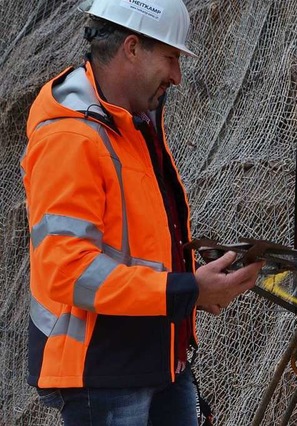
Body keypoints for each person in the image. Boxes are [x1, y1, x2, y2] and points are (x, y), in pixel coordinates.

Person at [20, 1, 263, 424]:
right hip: (103, 374)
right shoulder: (70, 137)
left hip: (158, 363)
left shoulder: (133, 125)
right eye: (170, 57)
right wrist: (187, 292)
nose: (177, 76)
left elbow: (139, 249)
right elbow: (69, 272)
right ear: (132, 48)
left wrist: (189, 287)